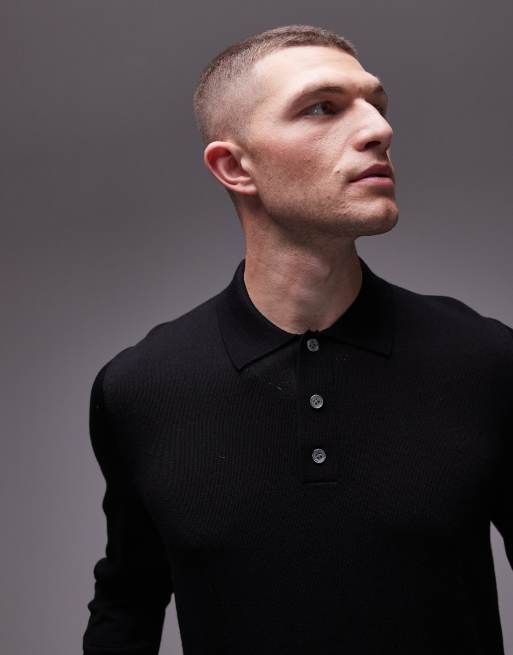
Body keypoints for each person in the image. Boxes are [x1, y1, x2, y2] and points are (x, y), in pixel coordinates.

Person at [82, 24, 513, 655]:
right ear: (235, 167)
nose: (379, 129)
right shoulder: (140, 389)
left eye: (377, 104)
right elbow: (127, 605)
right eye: (322, 108)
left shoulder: (487, 360)